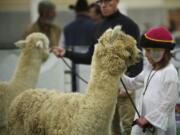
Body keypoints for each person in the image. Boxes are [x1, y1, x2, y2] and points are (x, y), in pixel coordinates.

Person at [53, 0, 143, 134]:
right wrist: (66, 53)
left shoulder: (129, 25)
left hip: (124, 86)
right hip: (105, 90)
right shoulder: (98, 27)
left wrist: (129, 84)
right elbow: (90, 56)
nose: (104, 5)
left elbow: (137, 58)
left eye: (108, 1)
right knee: (110, 128)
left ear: (117, 1)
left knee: (129, 126)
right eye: (101, 2)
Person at [121, 26, 179, 135]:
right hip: (143, 121)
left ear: (160, 51)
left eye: (148, 51)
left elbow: (170, 102)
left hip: (160, 124)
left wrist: (149, 119)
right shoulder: (149, 68)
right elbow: (132, 83)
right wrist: (118, 72)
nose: (146, 55)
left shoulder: (170, 72)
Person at [58, 0, 96, 91]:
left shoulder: (66, 29)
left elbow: (60, 49)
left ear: (76, 11)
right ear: (88, 11)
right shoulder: (96, 27)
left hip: (73, 72)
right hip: (91, 71)